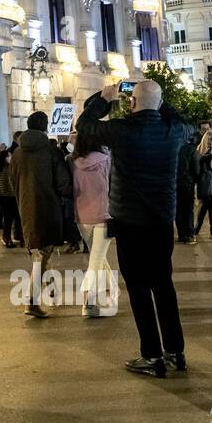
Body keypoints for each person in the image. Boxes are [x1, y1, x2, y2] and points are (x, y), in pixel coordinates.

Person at [76, 81, 191, 378]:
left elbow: (85, 124)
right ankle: (175, 350)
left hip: (130, 221)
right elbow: (176, 116)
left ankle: (152, 356)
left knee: (139, 289)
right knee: (164, 285)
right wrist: (154, 99)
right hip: (163, 220)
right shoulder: (174, 131)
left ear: (132, 103)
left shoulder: (122, 131)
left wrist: (103, 99)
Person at [9, 113, 70, 316]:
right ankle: (32, 301)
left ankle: (52, 291)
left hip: (25, 208)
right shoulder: (51, 151)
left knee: (40, 252)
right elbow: (63, 183)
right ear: (45, 126)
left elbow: (12, 181)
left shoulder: (17, 153)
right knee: (43, 253)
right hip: (48, 208)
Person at [72, 132, 116, 318]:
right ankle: (87, 302)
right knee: (96, 259)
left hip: (81, 216)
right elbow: (114, 186)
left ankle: (111, 289)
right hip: (103, 213)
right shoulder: (106, 160)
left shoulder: (73, 161)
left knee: (98, 256)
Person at [0, 139, 20, 248]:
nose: (11, 158)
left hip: (2, 197)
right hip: (10, 196)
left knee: (8, 219)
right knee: (11, 219)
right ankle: (8, 238)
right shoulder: (7, 169)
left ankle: (7, 237)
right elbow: (11, 183)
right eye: (9, 156)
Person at [175, 135, 200, 245]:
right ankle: (189, 234)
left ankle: (181, 234)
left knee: (178, 209)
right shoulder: (191, 149)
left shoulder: (174, 147)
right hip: (188, 183)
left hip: (175, 182)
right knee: (188, 209)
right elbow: (196, 168)